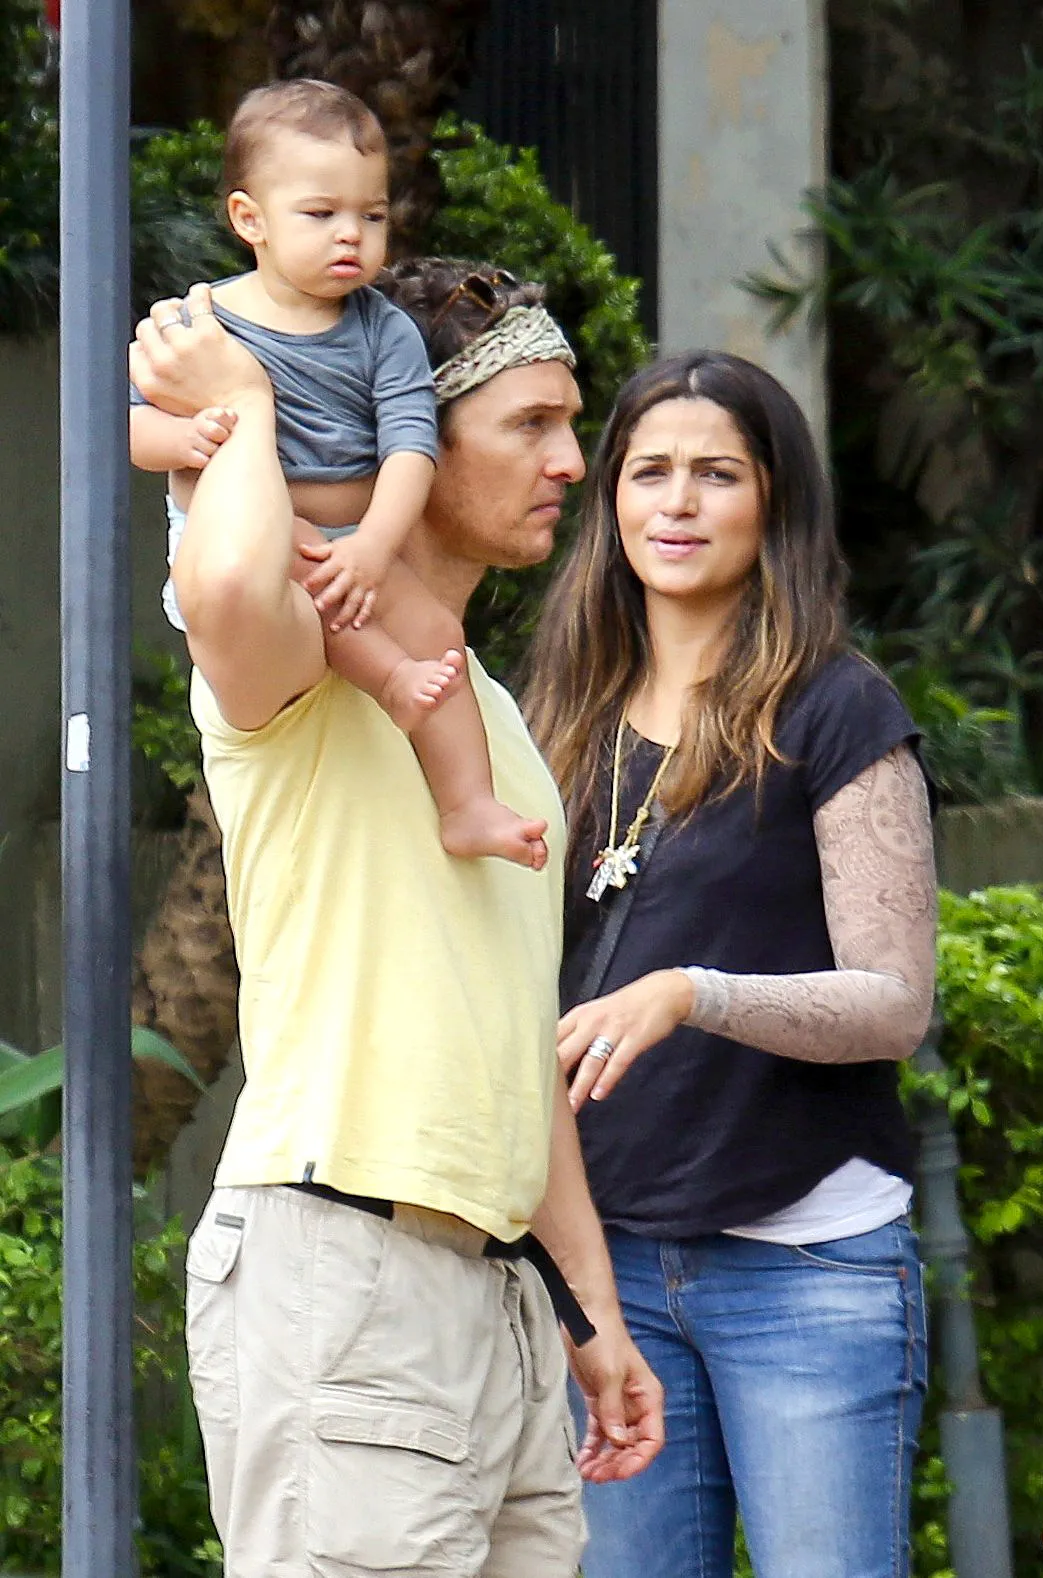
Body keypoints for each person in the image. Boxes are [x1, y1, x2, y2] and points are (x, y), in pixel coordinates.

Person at [128, 259, 663, 1578]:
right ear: (403, 435)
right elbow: (226, 587)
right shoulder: (305, 655)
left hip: (499, 1296)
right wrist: (252, 402)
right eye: (529, 423)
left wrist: (592, 1310)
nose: (571, 462)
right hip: (345, 1263)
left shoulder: (491, 724)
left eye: (570, 424)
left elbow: (510, 1037)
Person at [523, 350, 936, 1578]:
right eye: (647, 472)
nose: (677, 503)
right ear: (608, 498)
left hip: (805, 1263)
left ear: (773, 502)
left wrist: (691, 996)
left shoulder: (835, 711)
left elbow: (892, 1005)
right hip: (605, 1274)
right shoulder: (558, 714)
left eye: (716, 474)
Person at [130, 78, 547, 870]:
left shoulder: (383, 330)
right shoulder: (202, 325)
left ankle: (468, 804)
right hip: (253, 537)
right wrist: (185, 438)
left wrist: (375, 547)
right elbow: (128, 428)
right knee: (317, 597)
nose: (351, 235)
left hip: (352, 537)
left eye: (373, 216)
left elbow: (410, 449)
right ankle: (390, 684)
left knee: (439, 635)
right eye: (321, 214)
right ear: (250, 219)